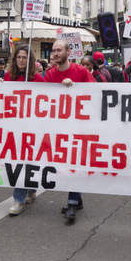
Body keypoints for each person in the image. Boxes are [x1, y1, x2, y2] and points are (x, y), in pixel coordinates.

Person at [44, 39, 95, 224]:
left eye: (59, 50)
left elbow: (95, 92)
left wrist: (74, 87)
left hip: (79, 127)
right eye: (53, 50)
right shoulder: (50, 75)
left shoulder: (80, 71)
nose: (56, 53)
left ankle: (72, 202)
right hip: (59, 128)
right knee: (65, 164)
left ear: (68, 52)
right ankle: (77, 198)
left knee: (75, 162)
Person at [3, 45, 44, 216]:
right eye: (19, 57)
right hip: (14, 127)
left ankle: (22, 196)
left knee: (29, 160)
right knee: (18, 162)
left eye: (25, 57)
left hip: (33, 128)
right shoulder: (7, 77)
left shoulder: (38, 79)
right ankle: (23, 195)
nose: (21, 60)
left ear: (30, 60)